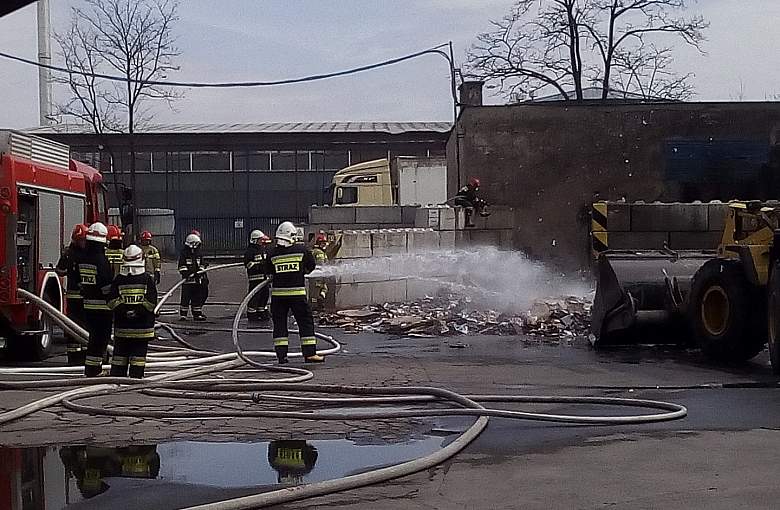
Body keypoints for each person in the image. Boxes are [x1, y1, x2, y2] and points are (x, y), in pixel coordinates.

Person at [265, 221, 323, 364]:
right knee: (305, 322)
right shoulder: (302, 250)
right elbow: (311, 266)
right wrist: (300, 273)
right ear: (292, 236)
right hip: (297, 295)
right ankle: (310, 354)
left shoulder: (271, 253)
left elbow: (267, 272)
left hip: (278, 297)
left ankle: (281, 356)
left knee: (279, 325)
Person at [108, 245, 157, 379]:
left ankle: (117, 378)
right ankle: (135, 379)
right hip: (142, 329)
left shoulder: (118, 280)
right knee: (138, 357)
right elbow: (151, 302)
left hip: (122, 327)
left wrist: (124, 311)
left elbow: (111, 300)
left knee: (119, 355)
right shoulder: (147, 279)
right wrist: (138, 312)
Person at [77, 222, 114, 377]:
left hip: (88, 304)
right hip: (102, 307)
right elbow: (106, 284)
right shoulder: (101, 260)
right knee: (101, 339)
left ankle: (91, 369)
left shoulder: (84, 258)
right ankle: (94, 370)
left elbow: (80, 281)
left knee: (93, 339)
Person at [56, 223, 89, 366]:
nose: (83, 243)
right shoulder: (74, 253)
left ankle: (83, 356)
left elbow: (60, 270)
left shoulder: (70, 253)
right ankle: (75, 358)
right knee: (74, 327)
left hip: (83, 297)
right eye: (81, 240)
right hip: (77, 297)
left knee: (84, 328)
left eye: (84, 240)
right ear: (76, 240)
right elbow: (59, 271)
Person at [178, 233, 208, 321]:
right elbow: (181, 266)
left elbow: (202, 264)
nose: (198, 246)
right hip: (187, 281)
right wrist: (187, 273)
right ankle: (183, 315)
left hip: (197, 281)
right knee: (185, 298)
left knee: (197, 298)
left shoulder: (198, 253)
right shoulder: (184, 254)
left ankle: (197, 314)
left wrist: (201, 271)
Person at [243, 229, 271, 322]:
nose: (262, 242)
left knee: (264, 296)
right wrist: (259, 264)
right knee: (255, 297)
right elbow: (248, 264)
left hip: (264, 279)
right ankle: (252, 314)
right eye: (260, 240)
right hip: (255, 279)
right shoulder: (250, 251)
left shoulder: (263, 249)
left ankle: (262, 312)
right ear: (255, 240)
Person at [311, 233, 329, 307]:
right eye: (323, 243)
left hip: (320, 275)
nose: (324, 245)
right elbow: (320, 264)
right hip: (319, 275)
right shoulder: (319, 252)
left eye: (325, 243)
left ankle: (319, 305)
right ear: (319, 244)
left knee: (323, 290)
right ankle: (317, 306)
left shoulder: (318, 251)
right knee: (318, 291)